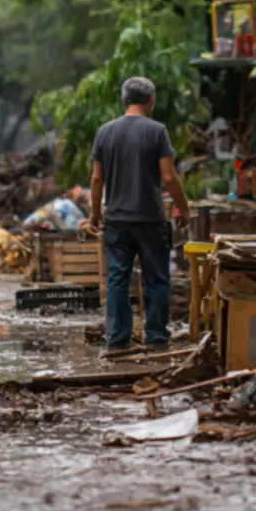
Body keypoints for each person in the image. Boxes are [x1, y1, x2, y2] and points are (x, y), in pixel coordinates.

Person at [88, 77, 191, 353]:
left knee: (117, 279)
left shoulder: (104, 132)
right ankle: (156, 337)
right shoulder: (157, 131)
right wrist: (184, 207)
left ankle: (117, 340)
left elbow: (96, 179)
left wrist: (95, 213)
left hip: (116, 221)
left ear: (124, 101)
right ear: (151, 100)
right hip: (151, 220)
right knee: (157, 280)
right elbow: (169, 176)